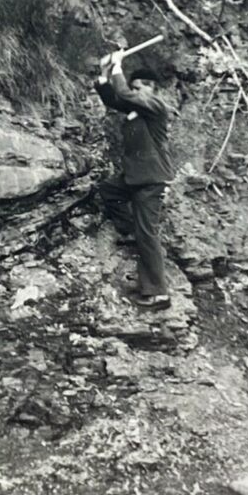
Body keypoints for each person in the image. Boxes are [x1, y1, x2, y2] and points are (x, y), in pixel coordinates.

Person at [95, 49, 175, 310]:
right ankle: (131, 229)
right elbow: (113, 98)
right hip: (133, 177)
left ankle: (158, 293)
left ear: (152, 89)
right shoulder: (135, 109)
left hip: (150, 180)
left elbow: (126, 95)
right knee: (106, 190)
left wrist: (118, 66)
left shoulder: (156, 106)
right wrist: (105, 74)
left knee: (148, 234)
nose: (136, 91)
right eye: (134, 87)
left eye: (141, 87)